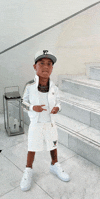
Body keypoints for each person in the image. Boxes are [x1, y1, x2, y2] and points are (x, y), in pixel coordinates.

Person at [20, 50, 70, 191]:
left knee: (53, 144)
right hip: (36, 123)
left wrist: (57, 108)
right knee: (32, 146)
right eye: (41, 63)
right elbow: (22, 102)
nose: (45, 67)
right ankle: (28, 170)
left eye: (49, 64)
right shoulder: (29, 86)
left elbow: (59, 102)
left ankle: (54, 165)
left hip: (50, 123)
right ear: (35, 66)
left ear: (52, 68)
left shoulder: (54, 87)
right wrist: (32, 107)